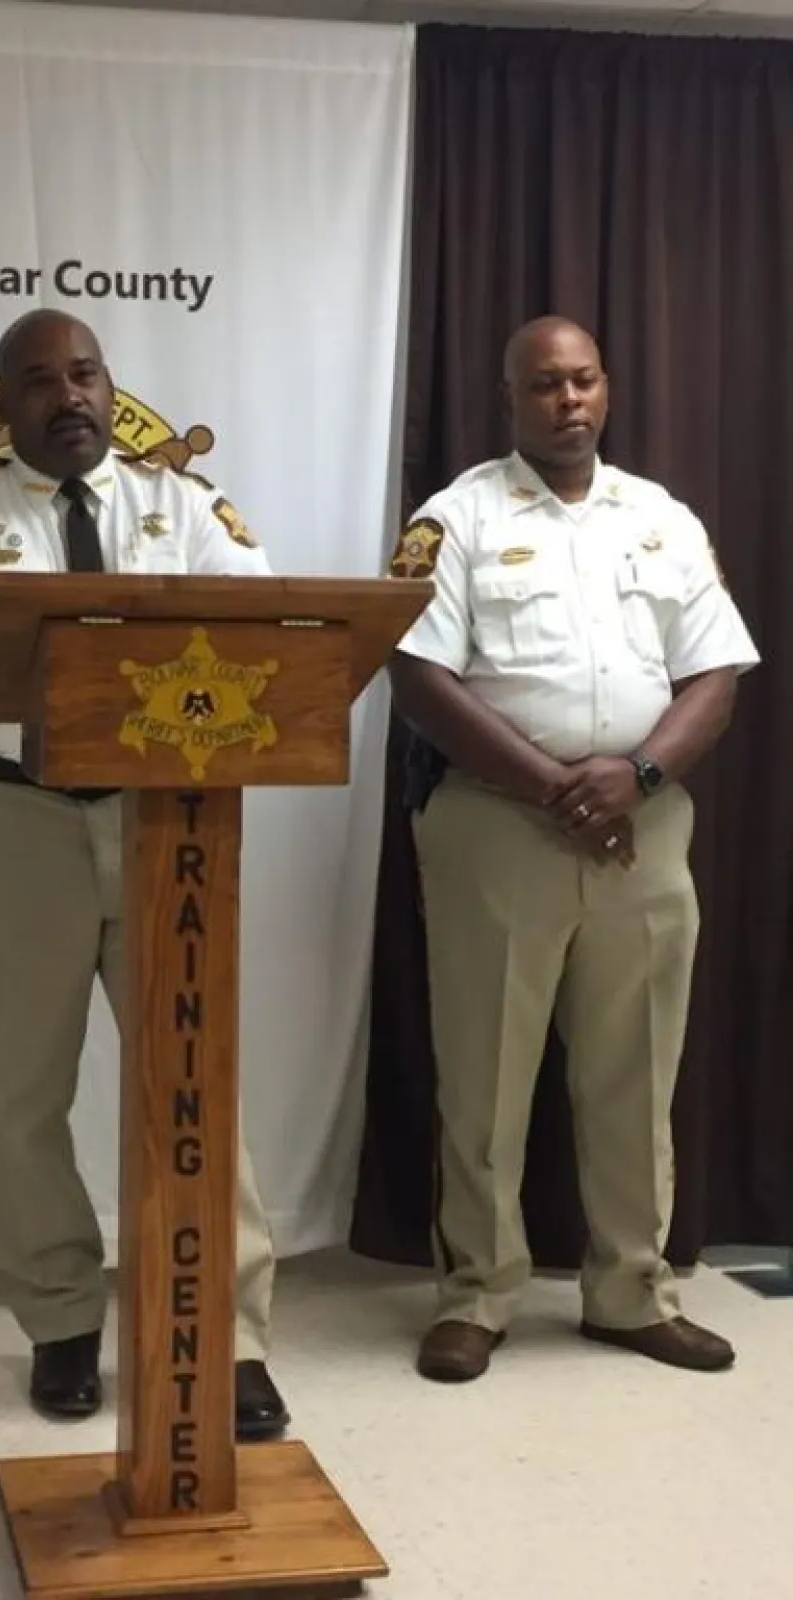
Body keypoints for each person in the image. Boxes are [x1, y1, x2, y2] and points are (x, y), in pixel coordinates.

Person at [0, 309, 289, 1437]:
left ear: (111, 389)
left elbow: (259, 614)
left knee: (196, 1076)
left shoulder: (183, 506)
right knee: (27, 1090)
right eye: (39, 381)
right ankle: (61, 1321)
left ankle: (228, 1338)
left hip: (168, 817)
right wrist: (89, 675)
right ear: (2, 405)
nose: (67, 397)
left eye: (85, 375)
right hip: (15, 820)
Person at [389, 315, 759, 1383]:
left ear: (607, 389)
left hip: (644, 823)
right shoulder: (453, 518)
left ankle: (632, 1291)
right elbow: (419, 678)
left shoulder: (661, 518)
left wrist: (635, 776)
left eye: (585, 380)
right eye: (546, 384)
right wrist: (553, 787)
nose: (569, 400)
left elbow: (715, 675)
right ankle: (476, 1294)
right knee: (485, 1075)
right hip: (496, 822)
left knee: (636, 1072)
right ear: (508, 398)